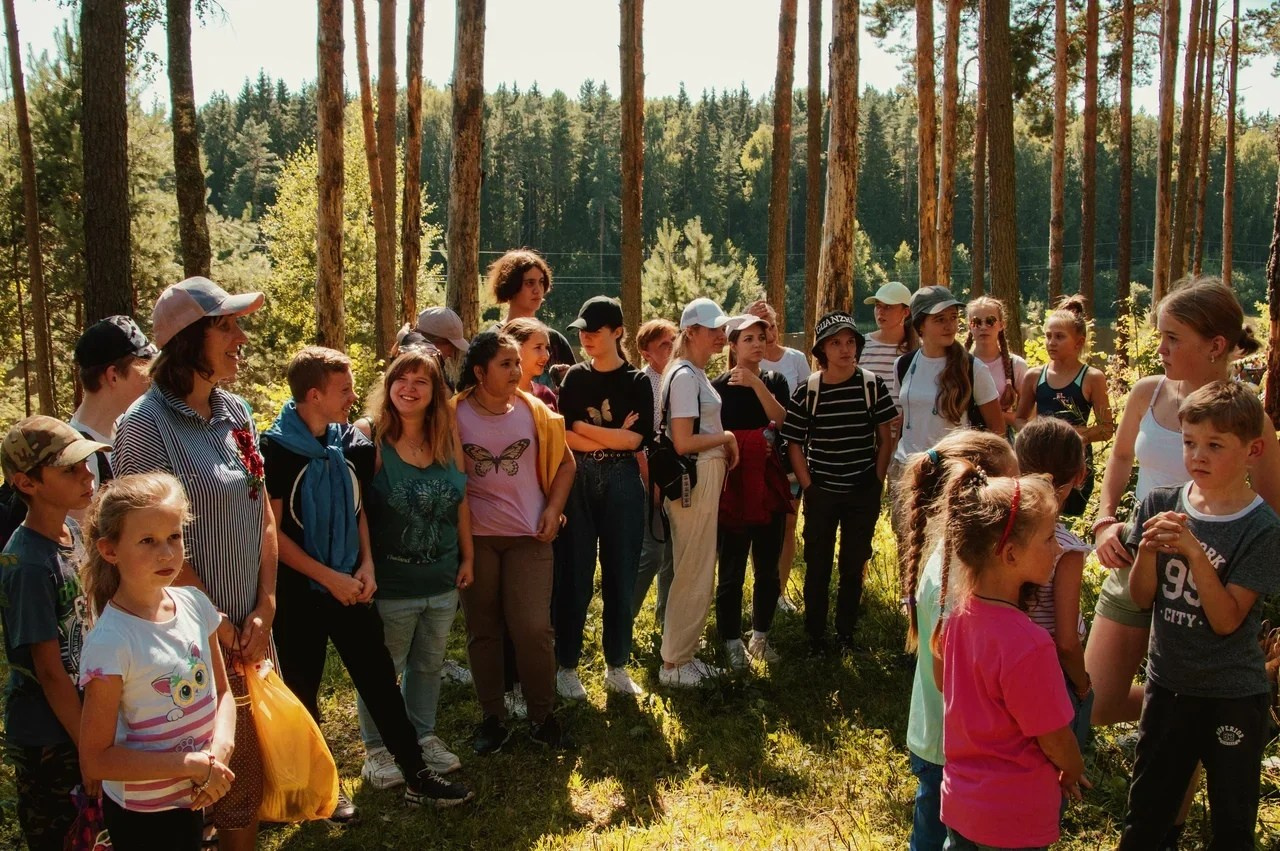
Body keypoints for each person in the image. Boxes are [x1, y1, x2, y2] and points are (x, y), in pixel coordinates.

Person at [262, 347, 471, 812]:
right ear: (314, 394)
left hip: (351, 585)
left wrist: (366, 566)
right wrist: (328, 579)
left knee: (380, 679)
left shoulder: (349, 446)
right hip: (301, 592)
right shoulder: (274, 450)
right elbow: (271, 533)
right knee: (302, 689)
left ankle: (417, 775)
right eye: (345, 389)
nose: (355, 397)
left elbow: (358, 510)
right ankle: (317, 790)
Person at [112, 276, 276, 851]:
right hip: (190, 639)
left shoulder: (236, 411)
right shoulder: (141, 427)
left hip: (251, 628)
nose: (241, 338)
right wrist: (219, 624)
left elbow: (263, 513)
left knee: (245, 779)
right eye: (226, 326)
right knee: (198, 782)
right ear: (187, 340)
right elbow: (153, 546)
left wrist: (267, 606)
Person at [1087, 277, 1280, 729]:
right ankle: (1202, 710)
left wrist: (1235, 579)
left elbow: (1271, 511)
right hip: (1136, 560)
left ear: (1215, 345)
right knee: (1098, 701)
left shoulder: (1251, 420)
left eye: (1173, 339)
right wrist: (1105, 520)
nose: (1161, 350)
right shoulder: (1146, 392)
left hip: (1207, 585)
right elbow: (1118, 458)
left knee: (1188, 712)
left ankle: (1201, 722)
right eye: (1160, 337)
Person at [1119, 381, 1280, 848]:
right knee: (1146, 814)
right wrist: (1147, 551)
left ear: (1253, 450)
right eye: (1189, 442)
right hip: (1168, 686)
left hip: (1232, 694)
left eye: (1214, 445)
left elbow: (1228, 619)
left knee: (1231, 824)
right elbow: (1142, 598)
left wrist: (1193, 552)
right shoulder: (1160, 503)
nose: (1198, 456)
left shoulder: (1262, 527)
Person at [76, 473, 236, 850]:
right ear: (109, 550)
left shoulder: (196, 605)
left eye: (174, 537)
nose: (166, 553)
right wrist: (191, 765)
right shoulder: (111, 643)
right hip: (143, 816)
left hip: (196, 793)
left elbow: (224, 692)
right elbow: (96, 759)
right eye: (147, 541)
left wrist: (219, 754)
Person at [933, 466, 1085, 850]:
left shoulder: (956, 619)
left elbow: (944, 685)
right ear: (1011, 554)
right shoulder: (1028, 644)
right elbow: (1054, 736)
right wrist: (1074, 766)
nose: (1057, 547)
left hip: (961, 805)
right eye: (1049, 538)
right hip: (1012, 819)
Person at [353, 348, 477, 788]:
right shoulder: (371, 439)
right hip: (391, 583)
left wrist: (468, 556)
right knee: (383, 670)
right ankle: (378, 750)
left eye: (420, 381)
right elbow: (358, 511)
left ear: (435, 392)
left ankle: (422, 735)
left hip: (442, 579)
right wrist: (364, 564)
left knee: (428, 664)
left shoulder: (446, 438)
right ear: (388, 386)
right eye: (401, 378)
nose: (409, 387)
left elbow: (460, 502)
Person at [452, 330, 576, 752]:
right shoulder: (453, 415)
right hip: (476, 541)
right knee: (483, 629)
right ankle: (492, 718)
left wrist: (553, 510)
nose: (516, 371)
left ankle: (542, 716)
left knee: (532, 628)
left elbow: (566, 464)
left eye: (516, 363)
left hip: (529, 536)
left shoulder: (535, 411)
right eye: (505, 364)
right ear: (479, 371)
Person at [897, 430, 1017, 851]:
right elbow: (952, 672)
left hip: (936, 736)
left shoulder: (946, 556)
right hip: (950, 747)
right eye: (1012, 486)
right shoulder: (958, 578)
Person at [0, 417, 106, 851]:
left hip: (84, 718)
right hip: (50, 737)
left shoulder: (73, 532)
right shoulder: (26, 564)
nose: (87, 477)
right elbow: (48, 671)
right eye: (69, 471)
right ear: (27, 482)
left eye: (86, 465)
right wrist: (88, 748)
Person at [554, 297, 652, 698]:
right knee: (574, 574)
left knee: (621, 574)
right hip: (578, 477)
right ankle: (566, 666)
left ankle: (617, 665)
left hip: (624, 481)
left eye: (595, 331)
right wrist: (613, 435)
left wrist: (587, 427)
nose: (586, 338)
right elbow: (566, 433)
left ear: (618, 332)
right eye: (582, 331)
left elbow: (636, 440)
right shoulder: (574, 378)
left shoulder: (638, 381)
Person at [782, 312, 895, 653]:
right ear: (822, 351)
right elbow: (794, 442)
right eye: (836, 343)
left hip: (862, 488)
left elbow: (886, 437)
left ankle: (846, 634)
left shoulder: (871, 384)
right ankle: (815, 636)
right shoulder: (809, 390)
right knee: (817, 564)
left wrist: (876, 480)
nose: (845, 349)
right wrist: (810, 488)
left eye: (850, 342)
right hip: (823, 490)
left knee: (853, 563)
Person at [891, 286, 1004, 585]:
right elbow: (904, 417)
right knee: (908, 536)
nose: (950, 325)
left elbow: (997, 428)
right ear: (919, 325)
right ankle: (909, 600)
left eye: (953, 317)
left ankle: (946, 601)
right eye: (940, 319)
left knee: (948, 539)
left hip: (951, 469)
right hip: (907, 467)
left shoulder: (972, 367)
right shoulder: (903, 365)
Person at [657, 298, 739, 687]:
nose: (722, 335)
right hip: (697, 476)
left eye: (723, 328)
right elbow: (683, 441)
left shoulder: (690, 372)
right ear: (691, 332)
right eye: (714, 329)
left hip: (702, 476)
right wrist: (727, 437)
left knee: (693, 567)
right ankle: (675, 663)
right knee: (694, 569)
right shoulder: (687, 376)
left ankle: (678, 656)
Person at [712, 313, 790, 668]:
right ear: (732, 345)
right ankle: (730, 640)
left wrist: (758, 385)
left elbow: (782, 418)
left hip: (769, 485)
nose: (758, 344)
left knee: (768, 567)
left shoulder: (775, 380)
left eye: (762, 337)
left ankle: (760, 636)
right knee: (731, 567)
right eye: (748, 339)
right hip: (732, 486)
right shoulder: (717, 387)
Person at [1013, 418, 1094, 750]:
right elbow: (1066, 642)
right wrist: (1083, 685)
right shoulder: (1066, 548)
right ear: (1080, 476)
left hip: (1004, 668)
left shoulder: (998, 531)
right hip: (1050, 676)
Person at [1013, 295, 1113, 516]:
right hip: (1037, 463)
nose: (1051, 342)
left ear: (1079, 342)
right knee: (1036, 520)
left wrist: (1071, 435)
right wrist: (1037, 434)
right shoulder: (1034, 376)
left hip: (1074, 463)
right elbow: (1019, 419)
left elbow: (1107, 429)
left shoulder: (1092, 378)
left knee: (1067, 526)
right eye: (1048, 336)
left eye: (1059, 337)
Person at [747, 299, 809, 613]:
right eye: (756, 327)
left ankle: (780, 592)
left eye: (768, 325)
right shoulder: (742, 364)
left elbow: (807, 406)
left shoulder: (796, 360)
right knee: (753, 525)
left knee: (787, 523)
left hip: (790, 454)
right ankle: (759, 588)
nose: (765, 333)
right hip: (753, 458)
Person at [69, 315, 158, 490]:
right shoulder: (77, 460)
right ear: (113, 376)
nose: (151, 378)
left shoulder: (127, 429)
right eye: (144, 369)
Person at [632, 318, 678, 627]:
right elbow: (638, 444)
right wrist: (652, 486)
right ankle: (622, 621)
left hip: (679, 478)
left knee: (674, 555)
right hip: (649, 479)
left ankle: (666, 623)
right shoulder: (642, 385)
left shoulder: (682, 376)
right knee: (651, 554)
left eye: (674, 339)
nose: (672, 347)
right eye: (664, 344)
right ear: (647, 353)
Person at [487, 249, 576, 386]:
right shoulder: (492, 340)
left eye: (541, 282)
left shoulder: (555, 341)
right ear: (511, 286)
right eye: (529, 283)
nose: (538, 290)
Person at [965, 296, 1026, 432]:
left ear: (1001, 325)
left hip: (1001, 438)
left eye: (990, 321)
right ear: (969, 326)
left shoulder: (1016, 365)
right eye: (976, 322)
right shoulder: (960, 364)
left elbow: (1028, 416)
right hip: (964, 438)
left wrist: (994, 416)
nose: (983, 327)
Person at [859, 282, 919, 413]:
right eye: (877, 306)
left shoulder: (917, 350)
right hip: (866, 430)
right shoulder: (860, 345)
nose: (880, 311)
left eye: (888, 307)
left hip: (904, 430)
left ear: (906, 312)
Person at [505, 317, 559, 411]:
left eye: (546, 348)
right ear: (515, 348)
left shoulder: (546, 395)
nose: (546, 356)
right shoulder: (494, 398)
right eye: (538, 347)